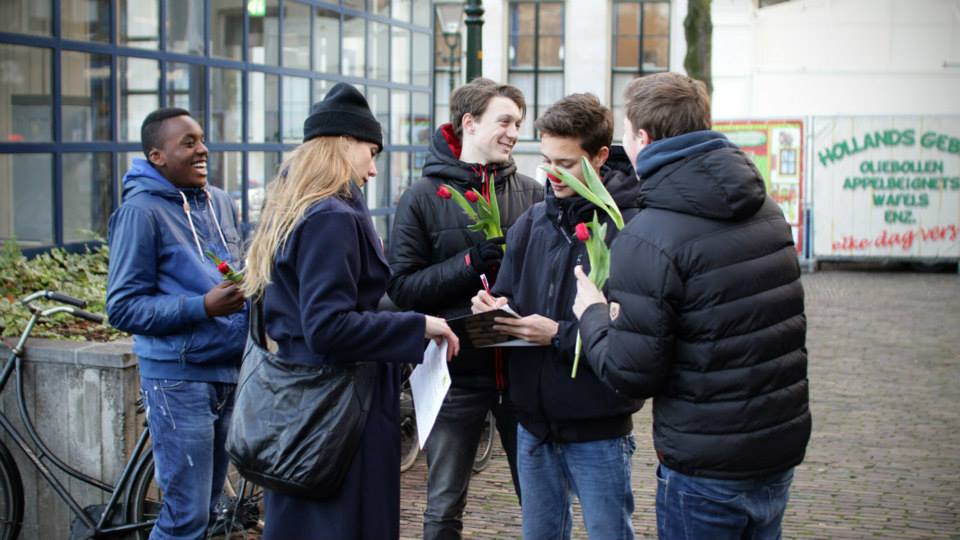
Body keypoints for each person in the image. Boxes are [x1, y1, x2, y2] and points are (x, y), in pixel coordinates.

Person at [572, 72, 811, 540]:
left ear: (642, 138)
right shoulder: (767, 211)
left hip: (705, 469)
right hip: (776, 451)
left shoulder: (651, 234)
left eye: (625, 132)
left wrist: (592, 315)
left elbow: (632, 372)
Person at [239, 82, 460, 540]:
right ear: (345, 143)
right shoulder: (332, 218)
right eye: (371, 151)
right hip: (339, 412)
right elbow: (329, 327)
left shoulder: (295, 210)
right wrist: (419, 325)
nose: (374, 169)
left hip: (306, 408)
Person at [470, 93, 643, 540]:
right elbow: (508, 296)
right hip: (533, 426)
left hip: (598, 429)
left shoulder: (630, 230)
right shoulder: (530, 224)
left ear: (601, 156)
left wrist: (559, 335)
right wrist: (492, 311)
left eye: (566, 163)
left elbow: (636, 335)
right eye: (547, 160)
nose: (553, 174)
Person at [387, 78, 543, 539]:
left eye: (518, 123)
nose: (514, 132)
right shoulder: (422, 197)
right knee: (443, 507)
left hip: (523, 376)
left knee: (541, 501)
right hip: (455, 376)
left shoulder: (533, 194)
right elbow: (402, 289)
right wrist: (469, 264)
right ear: (469, 123)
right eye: (505, 121)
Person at [106, 108, 248, 539]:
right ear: (157, 156)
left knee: (206, 510)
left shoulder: (219, 201)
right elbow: (123, 308)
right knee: (185, 518)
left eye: (201, 139)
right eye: (188, 143)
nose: (202, 149)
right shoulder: (140, 213)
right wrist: (201, 306)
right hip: (177, 380)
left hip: (228, 372)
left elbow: (235, 269)